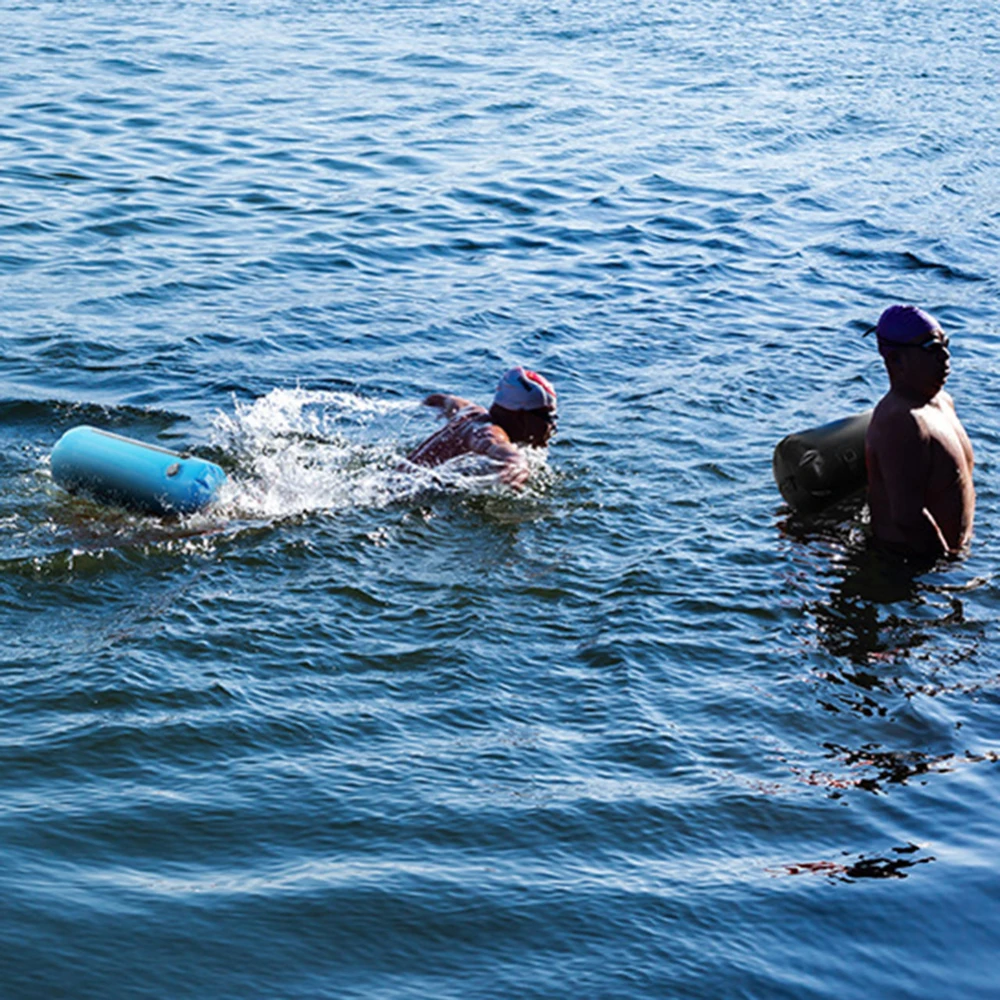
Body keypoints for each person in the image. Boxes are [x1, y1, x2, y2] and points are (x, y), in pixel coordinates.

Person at [865, 304, 974, 559]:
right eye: (932, 348)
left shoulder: (943, 401)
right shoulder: (901, 422)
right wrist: (946, 570)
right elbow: (908, 518)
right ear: (895, 360)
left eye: (946, 345)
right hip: (909, 567)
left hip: (948, 558)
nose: (945, 356)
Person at [406, 366, 557, 488]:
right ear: (521, 416)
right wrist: (517, 463)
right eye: (548, 417)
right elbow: (493, 442)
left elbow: (443, 400)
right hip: (406, 492)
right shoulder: (489, 431)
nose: (553, 425)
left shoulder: (471, 412)